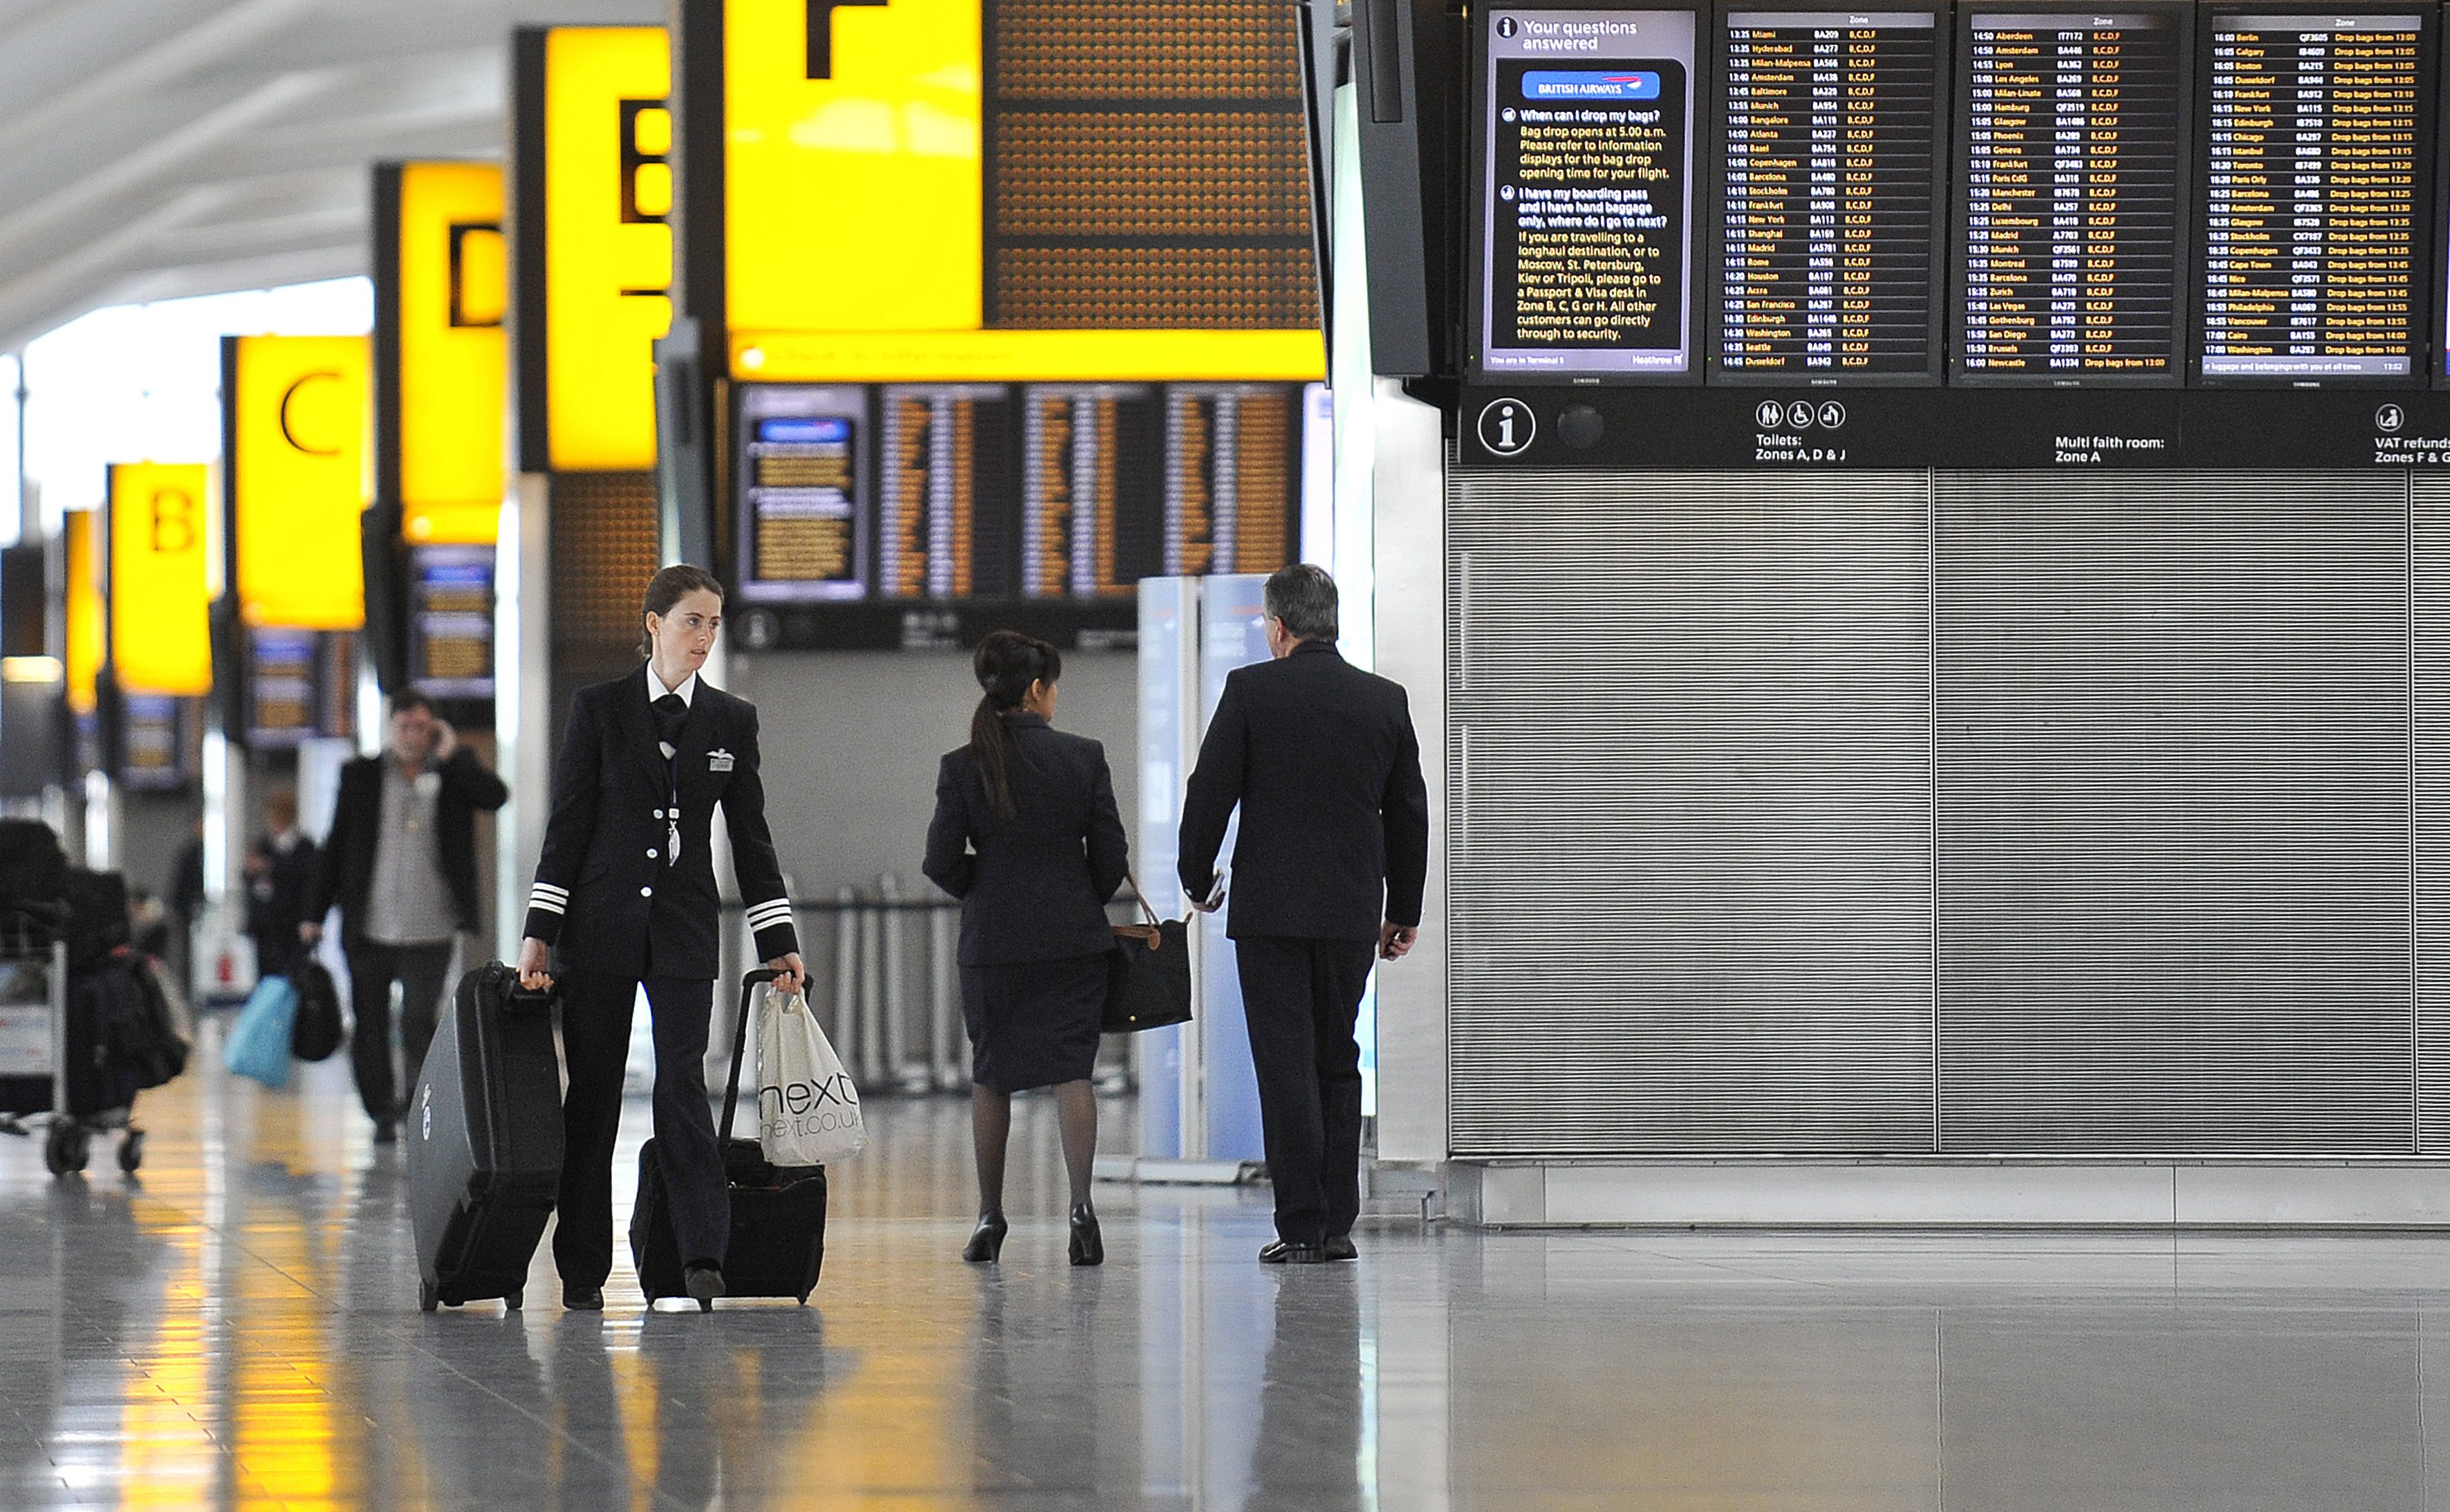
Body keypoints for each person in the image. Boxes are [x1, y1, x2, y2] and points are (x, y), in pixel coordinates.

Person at [517, 564, 806, 1313]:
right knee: (595, 1095)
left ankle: (701, 1254)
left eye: (713, 622)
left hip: (683, 932)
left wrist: (777, 938)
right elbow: (568, 826)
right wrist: (540, 934)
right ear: (653, 624)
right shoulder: (600, 709)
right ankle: (581, 1265)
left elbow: (750, 834)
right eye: (691, 620)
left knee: (683, 1087)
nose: (704, 635)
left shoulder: (730, 721)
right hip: (599, 927)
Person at [1178, 563, 1429, 1264]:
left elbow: (1210, 793)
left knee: (1285, 1063)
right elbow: (1409, 811)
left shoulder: (1252, 691)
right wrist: (1402, 907)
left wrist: (1197, 878)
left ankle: (1301, 1223)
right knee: (1336, 1056)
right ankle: (1338, 1222)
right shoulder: (1384, 700)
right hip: (1352, 910)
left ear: (1279, 627)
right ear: (1333, 622)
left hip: (1270, 914)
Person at [923, 631, 1129, 1268]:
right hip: (1073, 942)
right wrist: (1078, 896)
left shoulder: (963, 765)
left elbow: (938, 861)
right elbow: (1112, 860)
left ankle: (989, 1215)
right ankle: (1081, 1210)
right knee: (1073, 1072)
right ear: (1037, 690)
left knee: (992, 1076)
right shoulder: (1083, 756)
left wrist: (983, 890)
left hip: (994, 945)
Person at [302, 693, 508, 1142]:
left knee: (419, 1016)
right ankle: (381, 1110)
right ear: (392, 728)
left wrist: (453, 753)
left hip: (430, 923)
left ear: (434, 730)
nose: (413, 736)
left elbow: (495, 797)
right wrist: (313, 913)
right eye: (405, 727)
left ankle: (420, 1100)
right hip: (370, 924)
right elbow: (335, 845)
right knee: (370, 1020)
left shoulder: (453, 772)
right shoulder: (361, 776)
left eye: (422, 728)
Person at [244, 790, 318, 980]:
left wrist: (271, 867)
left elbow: (306, 877)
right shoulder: (263, 845)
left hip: (293, 926)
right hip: (267, 928)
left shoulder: (304, 848)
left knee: (294, 978)